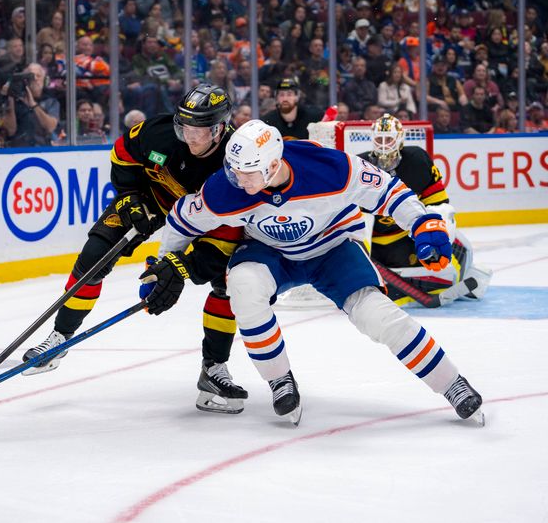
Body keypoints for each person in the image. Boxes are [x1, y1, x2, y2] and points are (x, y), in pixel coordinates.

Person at [140, 119, 485, 426]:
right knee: (243, 287)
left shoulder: (330, 166)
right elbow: (182, 220)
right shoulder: (227, 186)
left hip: (332, 249)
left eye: (245, 173)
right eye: (233, 170)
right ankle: (279, 380)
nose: (235, 179)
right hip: (270, 251)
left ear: (273, 165)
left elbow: (388, 191)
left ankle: (452, 383)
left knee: (378, 317)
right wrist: (160, 265)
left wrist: (424, 223)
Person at [21, 84, 249, 414]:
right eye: (184, 126)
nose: (189, 136)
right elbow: (122, 153)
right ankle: (60, 337)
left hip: (211, 219)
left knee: (227, 281)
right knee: (93, 256)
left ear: (219, 128)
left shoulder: (235, 157)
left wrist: (181, 267)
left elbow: (233, 222)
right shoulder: (159, 132)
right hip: (153, 199)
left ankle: (213, 368)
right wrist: (128, 196)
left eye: (198, 130)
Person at [358, 114, 491, 305]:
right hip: (373, 243)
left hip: (407, 236)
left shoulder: (417, 160)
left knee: (450, 247)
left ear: (400, 139)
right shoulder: (361, 165)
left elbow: (439, 205)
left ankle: (462, 275)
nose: (384, 144)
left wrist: (435, 233)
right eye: (380, 139)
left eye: (389, 139)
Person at [0, 62, 60, 148]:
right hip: (17, 151)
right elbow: (10, 130)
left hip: (44, 151)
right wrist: (10, 98)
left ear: (45, 80)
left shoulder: (50, 101)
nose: (35, 79)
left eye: (38, 76)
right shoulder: (15, 101)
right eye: (31, 76)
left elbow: (50, 127)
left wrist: (33, 105)